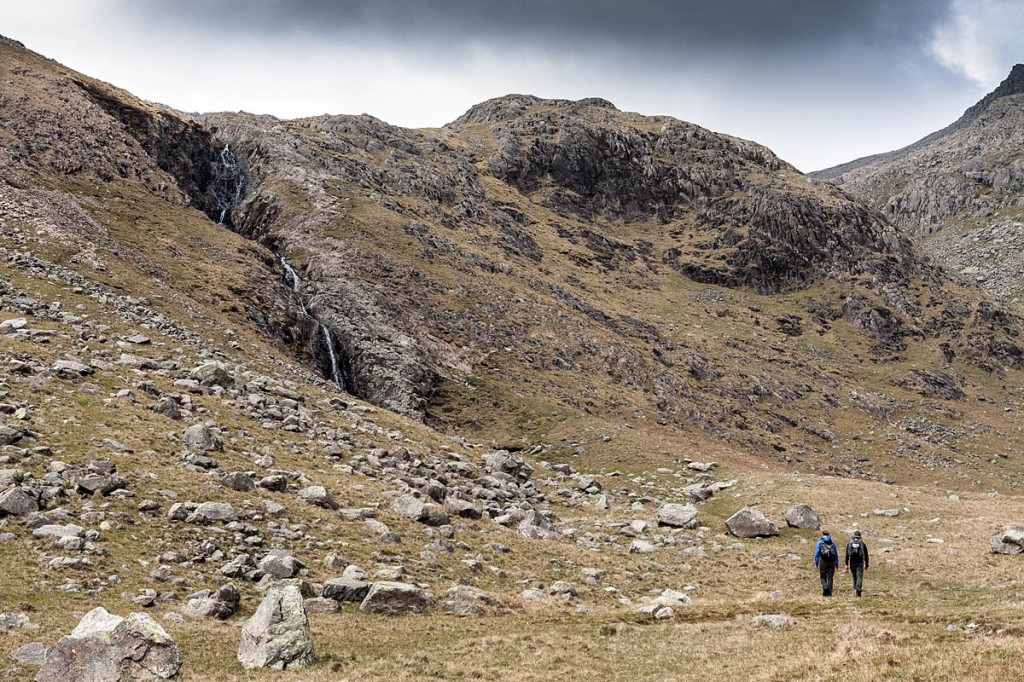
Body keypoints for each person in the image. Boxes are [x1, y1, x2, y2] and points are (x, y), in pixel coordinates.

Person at [814, 530, 839, 597]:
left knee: (823, 577)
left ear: (822, 534)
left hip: (823, 561)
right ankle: (829, 593)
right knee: (830, 577)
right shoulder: (833, 543)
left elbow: (817, 553)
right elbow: (836, 553)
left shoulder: (820, 542)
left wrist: (816, 563)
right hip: (832, 561)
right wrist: (836, 563)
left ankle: (825, 588)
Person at [845, 530, 870, 597]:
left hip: (852, 562)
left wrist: (846, 564)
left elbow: (847, 555)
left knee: (854, 576)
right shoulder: (862, 544)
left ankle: (856, 588)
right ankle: (858, 589)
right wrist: (867, 564)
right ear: (860, 536)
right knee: (859, 576)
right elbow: (866, 554)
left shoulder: (849, 544)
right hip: (860, 562)